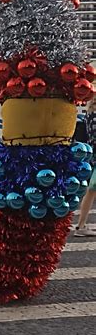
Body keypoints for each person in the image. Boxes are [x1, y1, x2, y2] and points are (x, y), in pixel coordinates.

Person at [75, 95, 96, 237]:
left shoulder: (89, 114)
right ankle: (80, 226)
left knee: (91, 191)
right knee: (91, 190)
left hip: (92, 155)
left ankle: (81, 226)